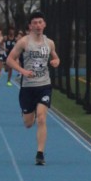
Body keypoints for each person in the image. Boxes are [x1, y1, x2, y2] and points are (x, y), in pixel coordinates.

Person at [5, 10, 61, 165]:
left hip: (44, 85)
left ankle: (40, 154)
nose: (38, 25)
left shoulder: (49, 43)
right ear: (30, 26)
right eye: (35, 23)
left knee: (42, 118)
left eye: (40, 22)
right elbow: (10, 60)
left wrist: (56, 62)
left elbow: (56, 57)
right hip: (28, 87)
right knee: (28, 123)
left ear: (44, 24)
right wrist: (23, 71)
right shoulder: (23, 42)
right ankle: (28, 113)